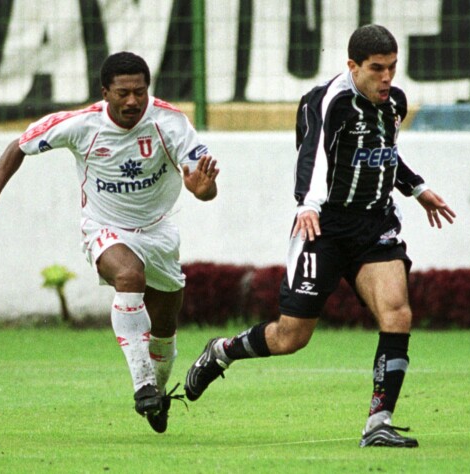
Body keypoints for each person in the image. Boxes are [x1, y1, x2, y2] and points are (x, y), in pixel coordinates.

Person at [184, 24, 455, 448]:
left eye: (393, 68)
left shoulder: (393, 102)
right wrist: (306, 204)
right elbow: (314, 156)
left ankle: (378, 423)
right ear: (352, 66)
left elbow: (384, 153)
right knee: (290, 337)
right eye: (377, 69)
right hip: (323, 226)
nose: (387, 79)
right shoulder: (328, 102)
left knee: (398, 314)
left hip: (374, 226)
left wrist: (417, 189)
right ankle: (221, 351)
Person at [0, 51, 218, 434]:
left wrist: (203, 190)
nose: (133, 101)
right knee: (129, 276)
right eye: (123, 93)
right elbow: (19, 145)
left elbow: (204, 184)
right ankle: (142, 383)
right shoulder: (80, 124)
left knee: (164, 326)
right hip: (105, 226)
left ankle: (157, 394)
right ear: (105, 92)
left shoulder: (170, 122)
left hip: (159, 230)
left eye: (140, 92)